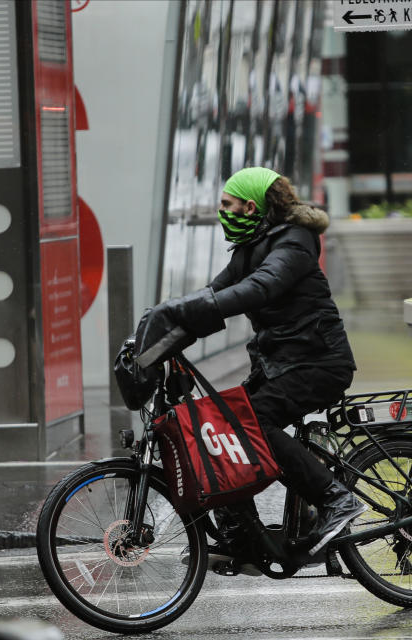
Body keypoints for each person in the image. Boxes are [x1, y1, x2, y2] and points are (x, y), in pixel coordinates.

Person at [151, 166, 363, 559]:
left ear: (251, 206)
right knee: (221, 425)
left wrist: (190, 307)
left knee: (254, 424)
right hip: (281, 366)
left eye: (227, 204)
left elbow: (259, 288)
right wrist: (162, 327)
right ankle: (243, 536)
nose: (222, 212)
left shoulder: (295, 242)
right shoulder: (250, 248)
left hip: (318, 363)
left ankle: (336, 498)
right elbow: (213, 296)